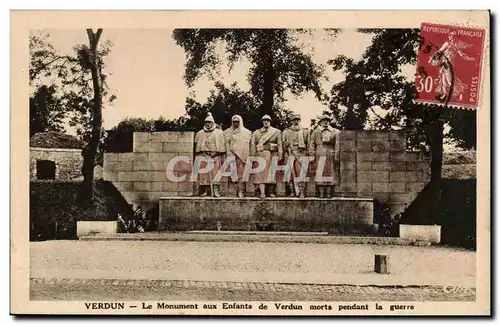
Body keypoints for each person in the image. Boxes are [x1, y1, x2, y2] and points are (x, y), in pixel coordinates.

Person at [250, 115, 283, 198]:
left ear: (270, 121)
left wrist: (280, 154)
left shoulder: (276, 132)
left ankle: (271, 191)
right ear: (262, 122)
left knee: (271, 173)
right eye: (264, 120)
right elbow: (253, 145)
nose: (266, 122)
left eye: (268, 120)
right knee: (261, 173)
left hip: (272, 154)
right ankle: (262, 192)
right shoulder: (256, 132)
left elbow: (279, 144)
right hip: (261, 155)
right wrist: (253, 156)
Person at [194, 113, 226, 197]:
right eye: (206, 122)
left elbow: (222, 145)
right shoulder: (200, 133)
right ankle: (205, 190)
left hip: (215, 155)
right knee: (204, 174)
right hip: (204, 155)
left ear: (213, 123)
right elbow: (197, 146)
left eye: (210, 122)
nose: (208, 124)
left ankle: (216, 190)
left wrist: (216, 153)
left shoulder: (219, 132)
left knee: (215, 173)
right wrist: (202, 152)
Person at [309, 115, 340, 198]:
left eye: (327, 120)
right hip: (319, 152)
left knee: (330, 172)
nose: (325, 122)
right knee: (320, 172)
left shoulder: (335, 131)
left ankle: (329, 192)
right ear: (320, 122)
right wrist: (311, 154)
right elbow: (312, 143)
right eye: (323, 120)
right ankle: (321, 192)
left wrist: (336, 155)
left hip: (330, 152)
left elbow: (337, 144)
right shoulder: (316, 132)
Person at [282, 113, 310, 198]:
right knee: (289, 173)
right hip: (290, 153)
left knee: (301, 172)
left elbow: (308, 144)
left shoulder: (305, 131)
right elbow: (282, 145)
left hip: (301, 153)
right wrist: (286, 145)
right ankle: (292, 191)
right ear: (291, 121)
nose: (296, 121)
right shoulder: (286, 131)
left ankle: (301, 192)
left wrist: (308, 154)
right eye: (294, 120)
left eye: (298, 119)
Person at [223, 115, 252, 198]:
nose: (236, 123)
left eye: (237, 121)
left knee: (241, 174)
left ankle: (241, 190)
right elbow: (225, 144)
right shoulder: (226, 132)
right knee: (231, 174)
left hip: (241, 156)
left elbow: (248, 145)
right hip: (230, 155)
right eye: (234, 121)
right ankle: (232, 191)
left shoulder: (247, 132)